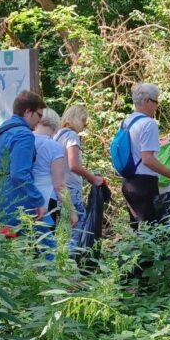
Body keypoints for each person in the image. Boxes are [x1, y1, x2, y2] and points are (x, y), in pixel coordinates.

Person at [118, 83, 170, 230]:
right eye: (156, 102)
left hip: (128, 183)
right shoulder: (149, 124)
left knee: (136, 228)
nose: (156, 107)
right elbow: (148, 159)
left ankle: (134, 253)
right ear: (147, 101)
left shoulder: (125, 123)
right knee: (151, 230)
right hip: (144, 184)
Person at [0, 91, 47, 227]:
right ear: (28, 112)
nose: (40, 121)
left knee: (2, 245)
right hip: (15, 202)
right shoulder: (24, 135)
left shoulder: (1, 129)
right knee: (47, 245)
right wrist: (38, 200)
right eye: (39, 115)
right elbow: (19, 174)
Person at [54, 105, 106, 251]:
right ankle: (71, 266)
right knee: (76, 226)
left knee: (63, 229)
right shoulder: (71, 136)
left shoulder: (57, 135)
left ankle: (60, 263)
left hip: (58, 189)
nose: (84, 125)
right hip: (70, 189)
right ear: (77, 119)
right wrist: (93, 178)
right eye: (84, 121)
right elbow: (74, 165)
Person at [32, 108, 77, 260]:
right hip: (46, 201)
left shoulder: (25, 140)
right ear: (55, 124)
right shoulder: (53, 147)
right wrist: (71, 210)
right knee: (46, 249)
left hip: (24, 198)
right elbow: (59, 184)